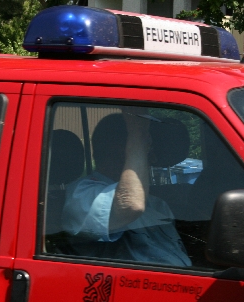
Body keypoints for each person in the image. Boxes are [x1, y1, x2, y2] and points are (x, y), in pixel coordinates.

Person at [62, 107, 192, 267]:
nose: (153, 157)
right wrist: (137, 133)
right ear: (124, 150)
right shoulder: (82, 194)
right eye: (147, 146)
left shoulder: (158, 204)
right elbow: (131, 205)